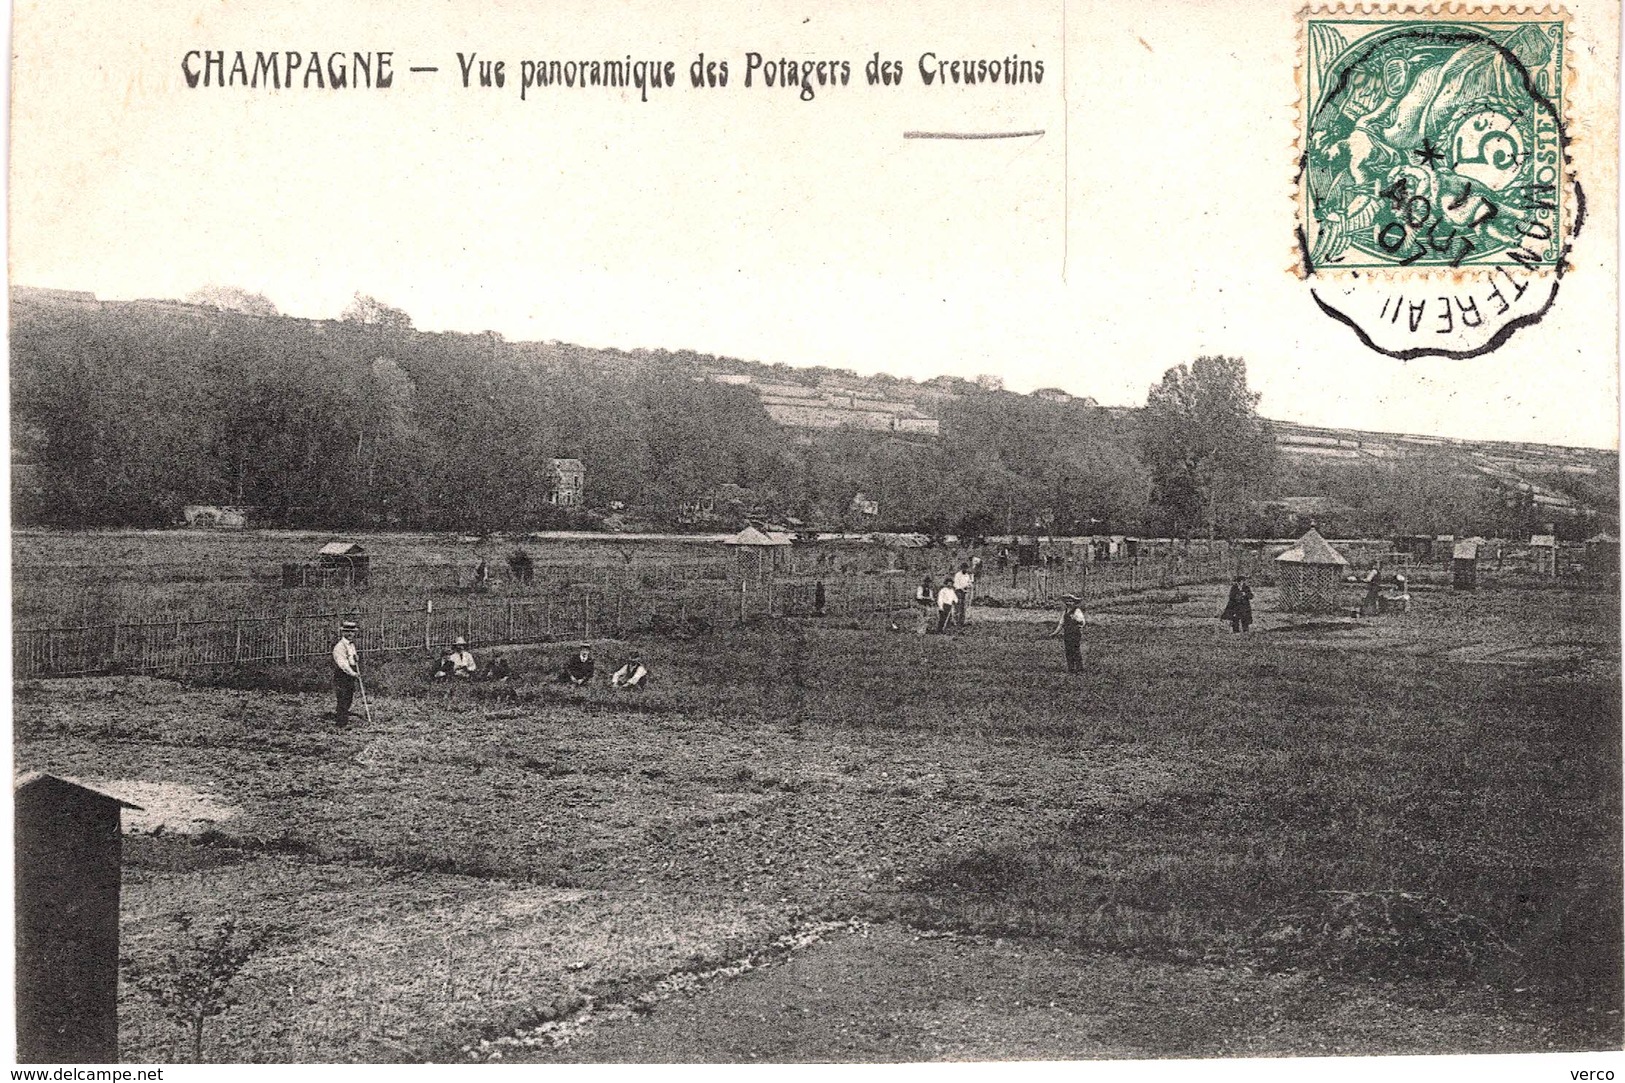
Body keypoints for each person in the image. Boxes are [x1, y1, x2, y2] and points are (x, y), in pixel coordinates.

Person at [1048, 594, 1087, 674]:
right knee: (1068, 651)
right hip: (1067, 633)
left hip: (1075, 633)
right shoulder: (1065, 611)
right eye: (1067, 601)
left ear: (1074, 602)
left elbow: (1082, 622)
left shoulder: (1077, 611)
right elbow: (1061, 623)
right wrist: (1054, 633)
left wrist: (1076, 620)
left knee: (1075, 650)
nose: (1069, 603)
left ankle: (1079, 668)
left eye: (1071, 601)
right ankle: (1071, 668)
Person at [332, 619, 361, 722]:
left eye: (352, 632)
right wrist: (353, 673)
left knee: (349, 695)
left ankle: (344, 714)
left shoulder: (351, 645)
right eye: (347, 631)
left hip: (350, 672)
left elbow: (351, 658)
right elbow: (343, 664)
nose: (350, 634)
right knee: (342, 696)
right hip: (342, 674)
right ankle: (341, 721)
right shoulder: (339, 647)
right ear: (343, 632)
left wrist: (355, 658)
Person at [953, 562, 974, 627]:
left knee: (963, 607)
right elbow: (956, 584)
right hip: (958, 592)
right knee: (957, 607)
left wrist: (969, 585)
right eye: (964, 568)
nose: (965, 569)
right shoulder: (958, 575)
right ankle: (956, 621)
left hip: (965, 592)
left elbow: (969, 583)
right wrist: (962, 588)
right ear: (961, 568)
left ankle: (962, 621)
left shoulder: (967, 575)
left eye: (966, 568)